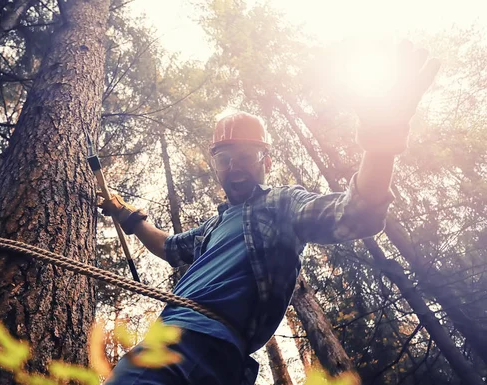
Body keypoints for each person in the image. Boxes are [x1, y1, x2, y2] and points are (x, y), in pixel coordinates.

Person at [100, 41, 440, 385]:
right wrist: (130, 216)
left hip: (197, 348)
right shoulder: (212, 227)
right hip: (203, 356)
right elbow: (168, 246)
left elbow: (357, 212)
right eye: (224, 158)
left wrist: (381, 143)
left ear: (267, 162)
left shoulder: (282, 204)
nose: (234, 166)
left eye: (246, 156)